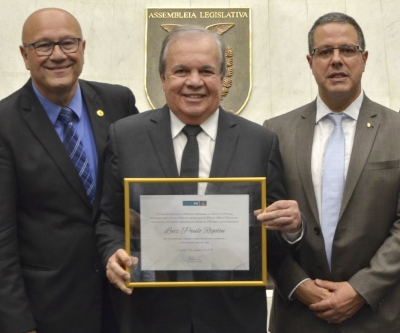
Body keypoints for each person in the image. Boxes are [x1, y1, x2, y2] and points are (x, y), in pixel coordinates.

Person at [95, 25, 303, 333]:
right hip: (149, 315)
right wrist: (113, 252)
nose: (194, 82)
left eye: (206, 71)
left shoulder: (259, 141)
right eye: (181, 70)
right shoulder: (126, 136)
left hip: (233, 317)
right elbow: (108, 220)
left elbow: (268, 238)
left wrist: (292, 229)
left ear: (222, 78)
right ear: (162, 78)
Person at [0, 8, 138, 333]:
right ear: (25, 55)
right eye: (44, 46)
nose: (58, 55)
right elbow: (2, 236)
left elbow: (150, 171)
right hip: (51, 309)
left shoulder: (118, 101)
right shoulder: (5, 123)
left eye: (68, 43)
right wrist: (18, 323)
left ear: (83, 48)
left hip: (127, 301)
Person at [264, 12, 400, 333]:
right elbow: (263, 221)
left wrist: (361, 289)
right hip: (298, 315)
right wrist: (299, 285)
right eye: (325, 52)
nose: (336, 60)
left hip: (379, 315)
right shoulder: (275, 132)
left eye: (347, 50)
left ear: (364, 59)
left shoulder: (397, 130)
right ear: (310, 61)